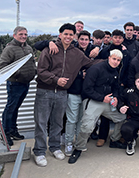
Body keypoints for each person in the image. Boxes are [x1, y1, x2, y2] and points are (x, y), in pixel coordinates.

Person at [33, 23, 96, 167]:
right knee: (41, 123)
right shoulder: (49, 49)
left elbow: (91, 64)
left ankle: (55, 147)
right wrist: (56, 79)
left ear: (74, 36)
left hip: (62, 93)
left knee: (57, 122)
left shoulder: (77, 53)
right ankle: (39, 151)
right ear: (60, 34)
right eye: (65, 34)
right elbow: (41, 70)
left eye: (71, 34)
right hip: (45, 91)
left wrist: (110, 60)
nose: (68, 37)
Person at [68, 49, 127, 164]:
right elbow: (87, 89)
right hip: (93, 101)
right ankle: (79, 148)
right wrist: (102, 98)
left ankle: (114, 140)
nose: (116, 62)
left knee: (122, 118)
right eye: (114, 59)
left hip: (107, 102)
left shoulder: (115, 72)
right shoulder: (95, 69)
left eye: (118, 60)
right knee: (87, 127)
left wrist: (115, 97)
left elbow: (116, 88)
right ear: (109, 58)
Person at [0, 26, 36, 146]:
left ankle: (13, 131)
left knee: (15, 108)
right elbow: (2, 66)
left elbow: (32, 62)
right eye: (21, 34)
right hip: (15, 83)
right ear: (14, 35)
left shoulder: (28, 48)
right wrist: (19, 74)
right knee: (10, 108)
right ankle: (5, 134)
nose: (23, 36)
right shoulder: (9, 49)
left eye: (25, 34)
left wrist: (33, 71)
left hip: (25, 83)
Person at [64, 30, 98, 156]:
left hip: (86, 93)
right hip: (73, 91)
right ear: (77, 39)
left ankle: (78, 142)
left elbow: (94, 66)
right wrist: (80, 74)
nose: (84, 42)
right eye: (82, 39)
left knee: (81, 120)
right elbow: (67, 69)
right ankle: (68, 142)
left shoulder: (92, 51)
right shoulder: (71, 51)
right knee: (71, 119)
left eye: (86, 39)